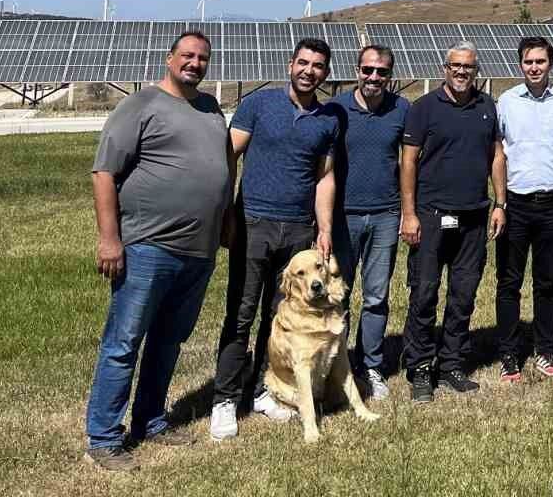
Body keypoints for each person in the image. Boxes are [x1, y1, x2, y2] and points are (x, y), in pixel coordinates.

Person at [84, 32, 231, 471]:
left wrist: (224, 222)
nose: (194, 63)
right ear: (169, 59)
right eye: (187, 55)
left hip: (198, 251)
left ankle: (150, 419)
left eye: (202, 58)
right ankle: (104, 436)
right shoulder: (141, 105)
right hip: (149, 246)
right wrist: (110, 239)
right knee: (124, 342)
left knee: (169, 340)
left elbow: (223, 168)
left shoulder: (210, 109)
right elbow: (104, 173)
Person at [211, 38, 343, 441]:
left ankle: (263, 389)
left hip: (299, 232)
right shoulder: (259, 104)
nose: (309, 71)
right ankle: (225, 400)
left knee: (280, 318)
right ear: (291, 64)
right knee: (242, 311)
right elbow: (228, 155)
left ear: (325, 73)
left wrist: (323, 229)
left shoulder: (328, 120)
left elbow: (324, 177)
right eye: (303, 63)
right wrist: (228, 210)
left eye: (318, 66)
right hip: (254, 223)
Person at [399, 41, 506, 403]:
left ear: (477, 71)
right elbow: (409, 162)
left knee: (463, 295)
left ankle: (452, 364)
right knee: (424, 293)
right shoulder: (424, 108)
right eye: (456, 66)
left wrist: (499, 203)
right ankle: (419, 367)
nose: (462, 72)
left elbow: (496, 156)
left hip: (474, 217)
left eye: (469, 67)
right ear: (445, 68)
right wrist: (409, 214)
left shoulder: (486, 106)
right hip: (430, 216)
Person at [494, 35, 553, 381]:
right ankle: (508, 353)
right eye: (529, 62)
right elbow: (497, 151)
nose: (535, 67)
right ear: (520, 65)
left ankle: (545, 350)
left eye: (541, 62)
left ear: (551, 63)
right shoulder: (506, 102)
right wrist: (500, 200)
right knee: (509, 282)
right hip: (515, 204)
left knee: (546, 282)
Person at [328, 44, 408, 401]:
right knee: (336, 296)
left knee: (376, 296)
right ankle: (335, 365)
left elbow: (410, 162)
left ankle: (370, 365)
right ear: (357, 70)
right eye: (368, 70)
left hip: (386, 215)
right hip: (342, 218)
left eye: (382, 72)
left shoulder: (402, 110)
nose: (374, 77)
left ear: (391, 75)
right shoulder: (336, 109)